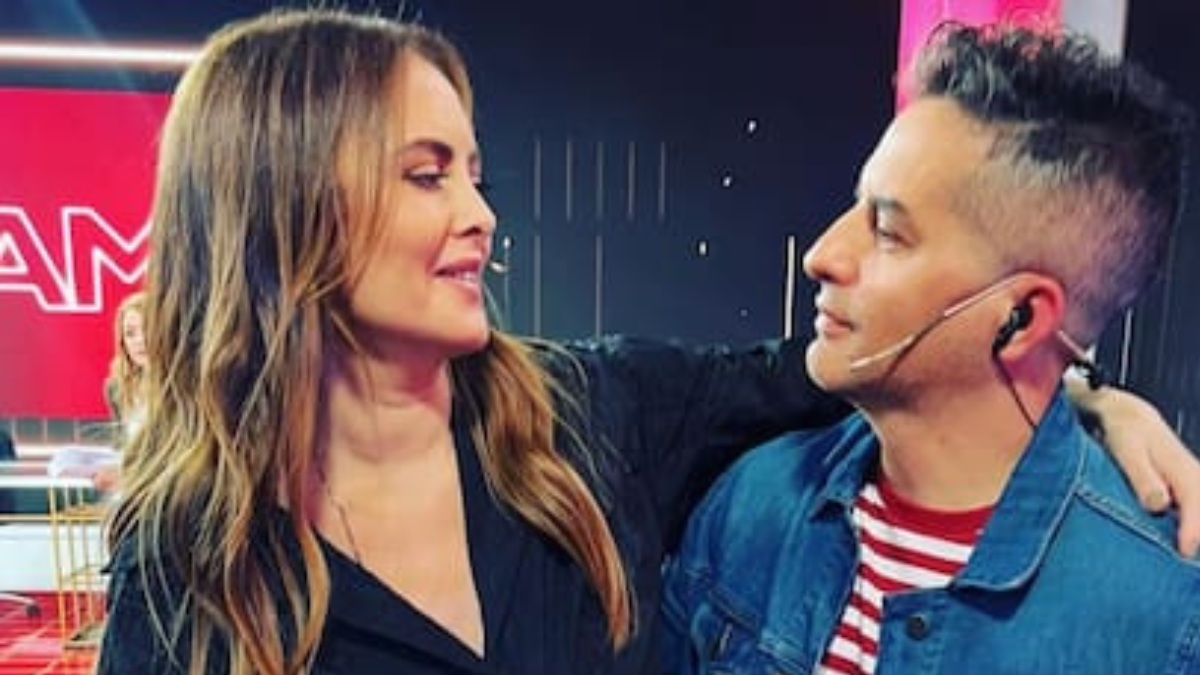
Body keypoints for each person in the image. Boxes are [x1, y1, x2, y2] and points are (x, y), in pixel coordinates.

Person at [97, 10, 1200, 675]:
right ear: (281, 206)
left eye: (475, 174)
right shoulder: (187, 551)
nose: (481, 216)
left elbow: (843, 367)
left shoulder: (595, 415)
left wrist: (1087, 392)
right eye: (427, 175)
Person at [663, 23, 1200, 675]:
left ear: (1022, 319)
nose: (822, 255)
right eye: (856, 207)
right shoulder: (752, 504)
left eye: (888, 231)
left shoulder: (1167, 621)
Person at [103, 290, 149, 444]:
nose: (140, 340)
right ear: (123, 342)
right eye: (130, 333)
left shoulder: (183, 385)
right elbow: (120, 442)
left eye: (147, 329)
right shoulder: (115, 386)